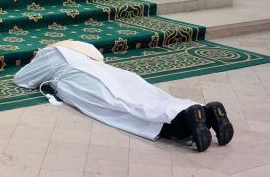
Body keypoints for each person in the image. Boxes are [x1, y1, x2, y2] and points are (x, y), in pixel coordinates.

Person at [14, 40, 234, 152]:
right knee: (146, 93)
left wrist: (36, 60)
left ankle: (181, 124)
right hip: (114, 73)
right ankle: (203, 110)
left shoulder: (50, 54)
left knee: (121, 106)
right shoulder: (83, 47)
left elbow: (22, 79)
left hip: (82, 79)